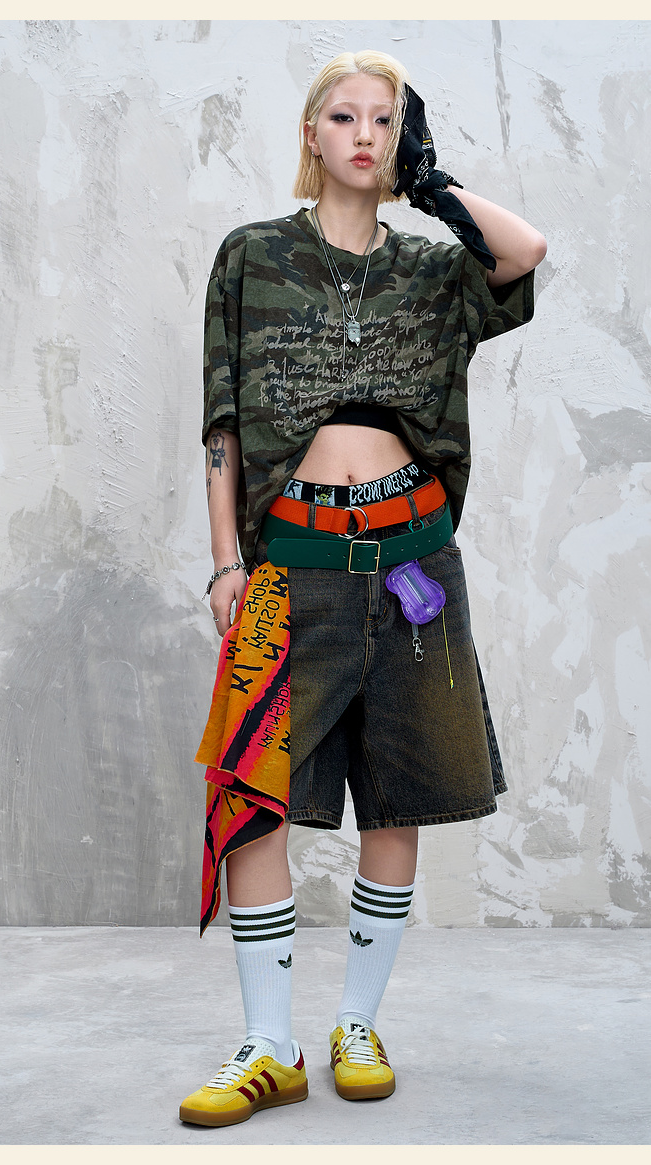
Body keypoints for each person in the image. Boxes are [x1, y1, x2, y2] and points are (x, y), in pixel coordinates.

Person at [179, 50, 547, 1128]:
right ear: (311, 133)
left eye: (385, 121)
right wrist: (227, 562)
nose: (365, 136)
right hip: (292, 568)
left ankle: (357, 1023)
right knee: (257, 804)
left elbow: (524, 252)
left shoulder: (433, 269)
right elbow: (223, 421)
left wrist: (433, 186)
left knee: (397, 798)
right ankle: (269, 1044)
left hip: (412, 564)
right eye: (343, 117)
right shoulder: (253, 255)